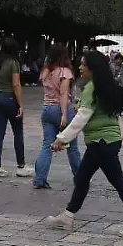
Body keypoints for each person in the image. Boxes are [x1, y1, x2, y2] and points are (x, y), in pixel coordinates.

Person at [44, 51, 123, 237]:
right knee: (83, 178)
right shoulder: (105, 85)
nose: (80, 67)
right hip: (106, 141)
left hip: (102, 142)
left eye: (83, 64)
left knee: (117, 181)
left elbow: (80, 118)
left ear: (92, 68)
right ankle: (67, 216)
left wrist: (61, 139)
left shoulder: (92, 88)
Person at [33, 45, 81, 189]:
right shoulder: (64, 72)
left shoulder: (46, 72)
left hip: (46, 109)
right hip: (60, 109)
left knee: (47, 145)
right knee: (72, 147)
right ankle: (80, 177)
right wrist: (64, 115)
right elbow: (63, 94)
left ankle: (40, 179)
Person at [0, 37, 29, 178]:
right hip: (9, 99)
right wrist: (21, 104)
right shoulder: (13, 63)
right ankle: (21, 166)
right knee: (17, 132)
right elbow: (16, 84)